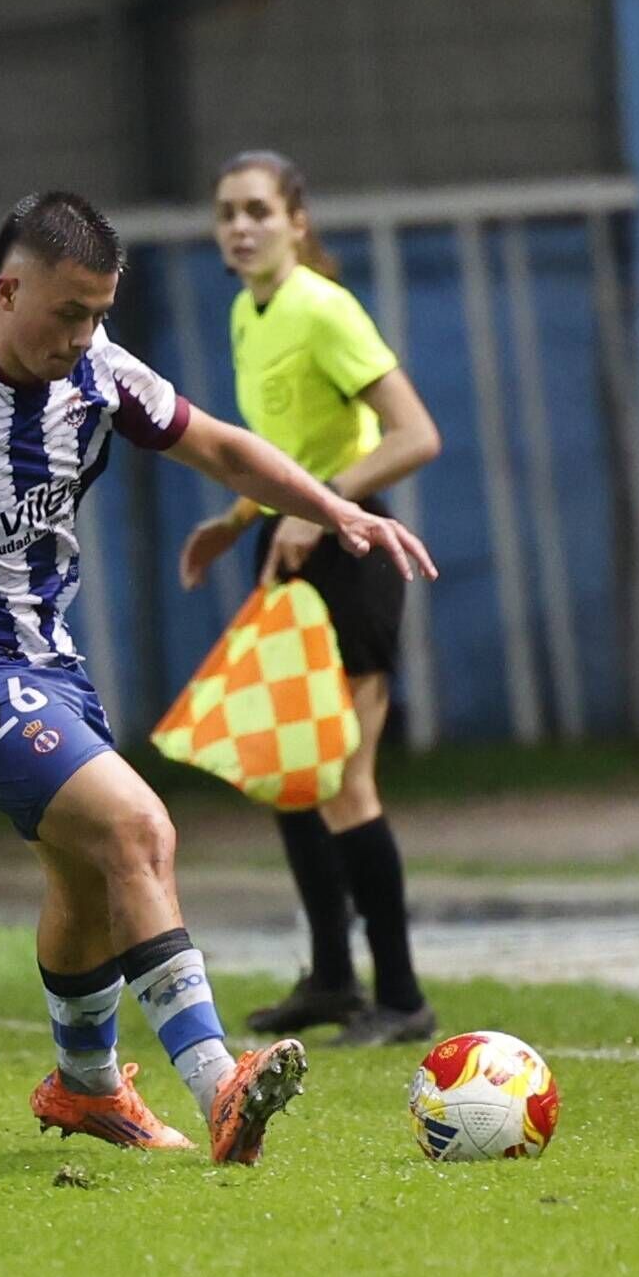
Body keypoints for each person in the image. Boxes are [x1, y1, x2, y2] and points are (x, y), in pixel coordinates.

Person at [0, 191, 436, 1162]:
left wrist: (335, 508)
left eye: (100, 314)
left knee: (86, 875)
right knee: (140, 827)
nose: (86, 334)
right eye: (70, 311)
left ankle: (86, 1083)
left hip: (56, 669)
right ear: (8, 289)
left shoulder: (105, 370)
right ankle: (221, 1080)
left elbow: (216, 443)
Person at [179, 150, 444, 1046]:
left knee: (343, 782)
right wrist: (237, 518)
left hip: (354, 548)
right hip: (287, 544)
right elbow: (282, 448)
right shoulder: (247, 314)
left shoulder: (324, 309)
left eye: (258, 208)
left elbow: (415, 434)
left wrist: (325, 509)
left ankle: (402, 995)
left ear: (298, 218)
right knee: (286, 772)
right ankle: (333, 976)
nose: (241, 226)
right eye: (226, 213)